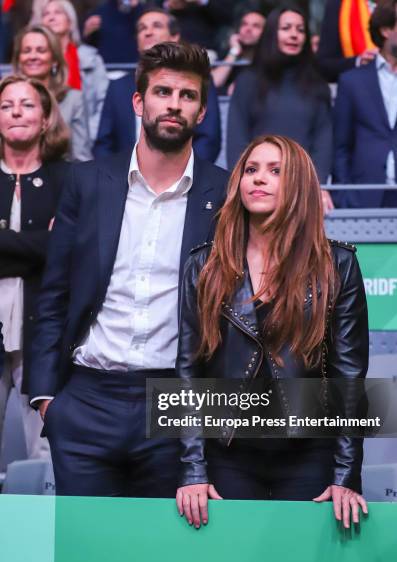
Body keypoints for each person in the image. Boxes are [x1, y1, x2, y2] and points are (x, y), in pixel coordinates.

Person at [29, 42, 229, 496]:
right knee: (84, 555)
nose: (174, 104)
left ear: (201, 112)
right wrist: (47, 400)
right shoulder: (87, 182)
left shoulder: (224, 191)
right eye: (162, 92)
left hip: (173, 401)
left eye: (188, 95)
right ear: (139, 101)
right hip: (85, 400)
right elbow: (55, 291)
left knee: (160, 558)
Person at [175, 134, 369, 530]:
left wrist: (345, 475)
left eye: (275, 171)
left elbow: (350, 377)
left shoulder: (339, 265)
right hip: (228, 454)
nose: (258, 179)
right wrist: (193, 468)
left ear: (297, 184)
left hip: (309, 455)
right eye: (251, 169)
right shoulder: (204, 264)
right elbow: (188, 373)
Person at [0, 74, 69, 459]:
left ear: (45, 118)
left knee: (44, 455)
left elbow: (65, 249)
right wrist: (39, 245)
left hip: (43, 330)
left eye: (27, 105)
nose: (16, 112)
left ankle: (41, 524)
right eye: (7, 105)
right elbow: (49, 246)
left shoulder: (69, 178)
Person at [226, 4, 333, 212]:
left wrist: (318, 186)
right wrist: (240, 184)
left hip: (302, 189)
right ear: (271, 33)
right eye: (286, 28)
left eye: (300, 30)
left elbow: (323, 140)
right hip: (257, 187)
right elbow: (236, 139)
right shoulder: (248, 81)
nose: (294, 35)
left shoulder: (318, 86)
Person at [94, 7, 221, 163]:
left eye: (157, 26)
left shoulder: (198, 80)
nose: (148, 32)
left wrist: (186, 175)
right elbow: (104, 143)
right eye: (142, 28)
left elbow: (209, 139)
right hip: (123, 180)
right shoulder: (117, 87)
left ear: (175, 36)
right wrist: (114, 178)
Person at [333, 0, 397, 208]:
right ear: (386, 30)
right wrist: (344, 197)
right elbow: (340, 145)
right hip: (364, 196)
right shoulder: (352, 81)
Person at [13, 24, 92, 161]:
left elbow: (81, 158)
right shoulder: (4, 97)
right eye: (26, 51)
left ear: (55, 59)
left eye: (41, 50)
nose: (33, 56)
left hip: (61, 178)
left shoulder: (73, 99)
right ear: (19, 59)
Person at [34, 0, 109, 145]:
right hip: (47, 140)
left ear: (70, 21)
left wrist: (89, 135)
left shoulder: (91, 59)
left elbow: (104, 104)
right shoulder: (37, 62)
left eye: (58, 12)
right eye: (46, 14)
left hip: (88, 139)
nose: (51, 17)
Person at [317, 0, 378, 82]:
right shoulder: (339, 5)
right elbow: (324, 65)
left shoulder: (392, 6)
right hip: (358, 85)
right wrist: (358, 61)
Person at [212, 9, 266, 95]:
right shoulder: (228, 54)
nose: (248, 29)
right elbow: (214, 83)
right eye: (244, 24)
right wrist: (234, 51)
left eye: (256, 26)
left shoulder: (269, 58)